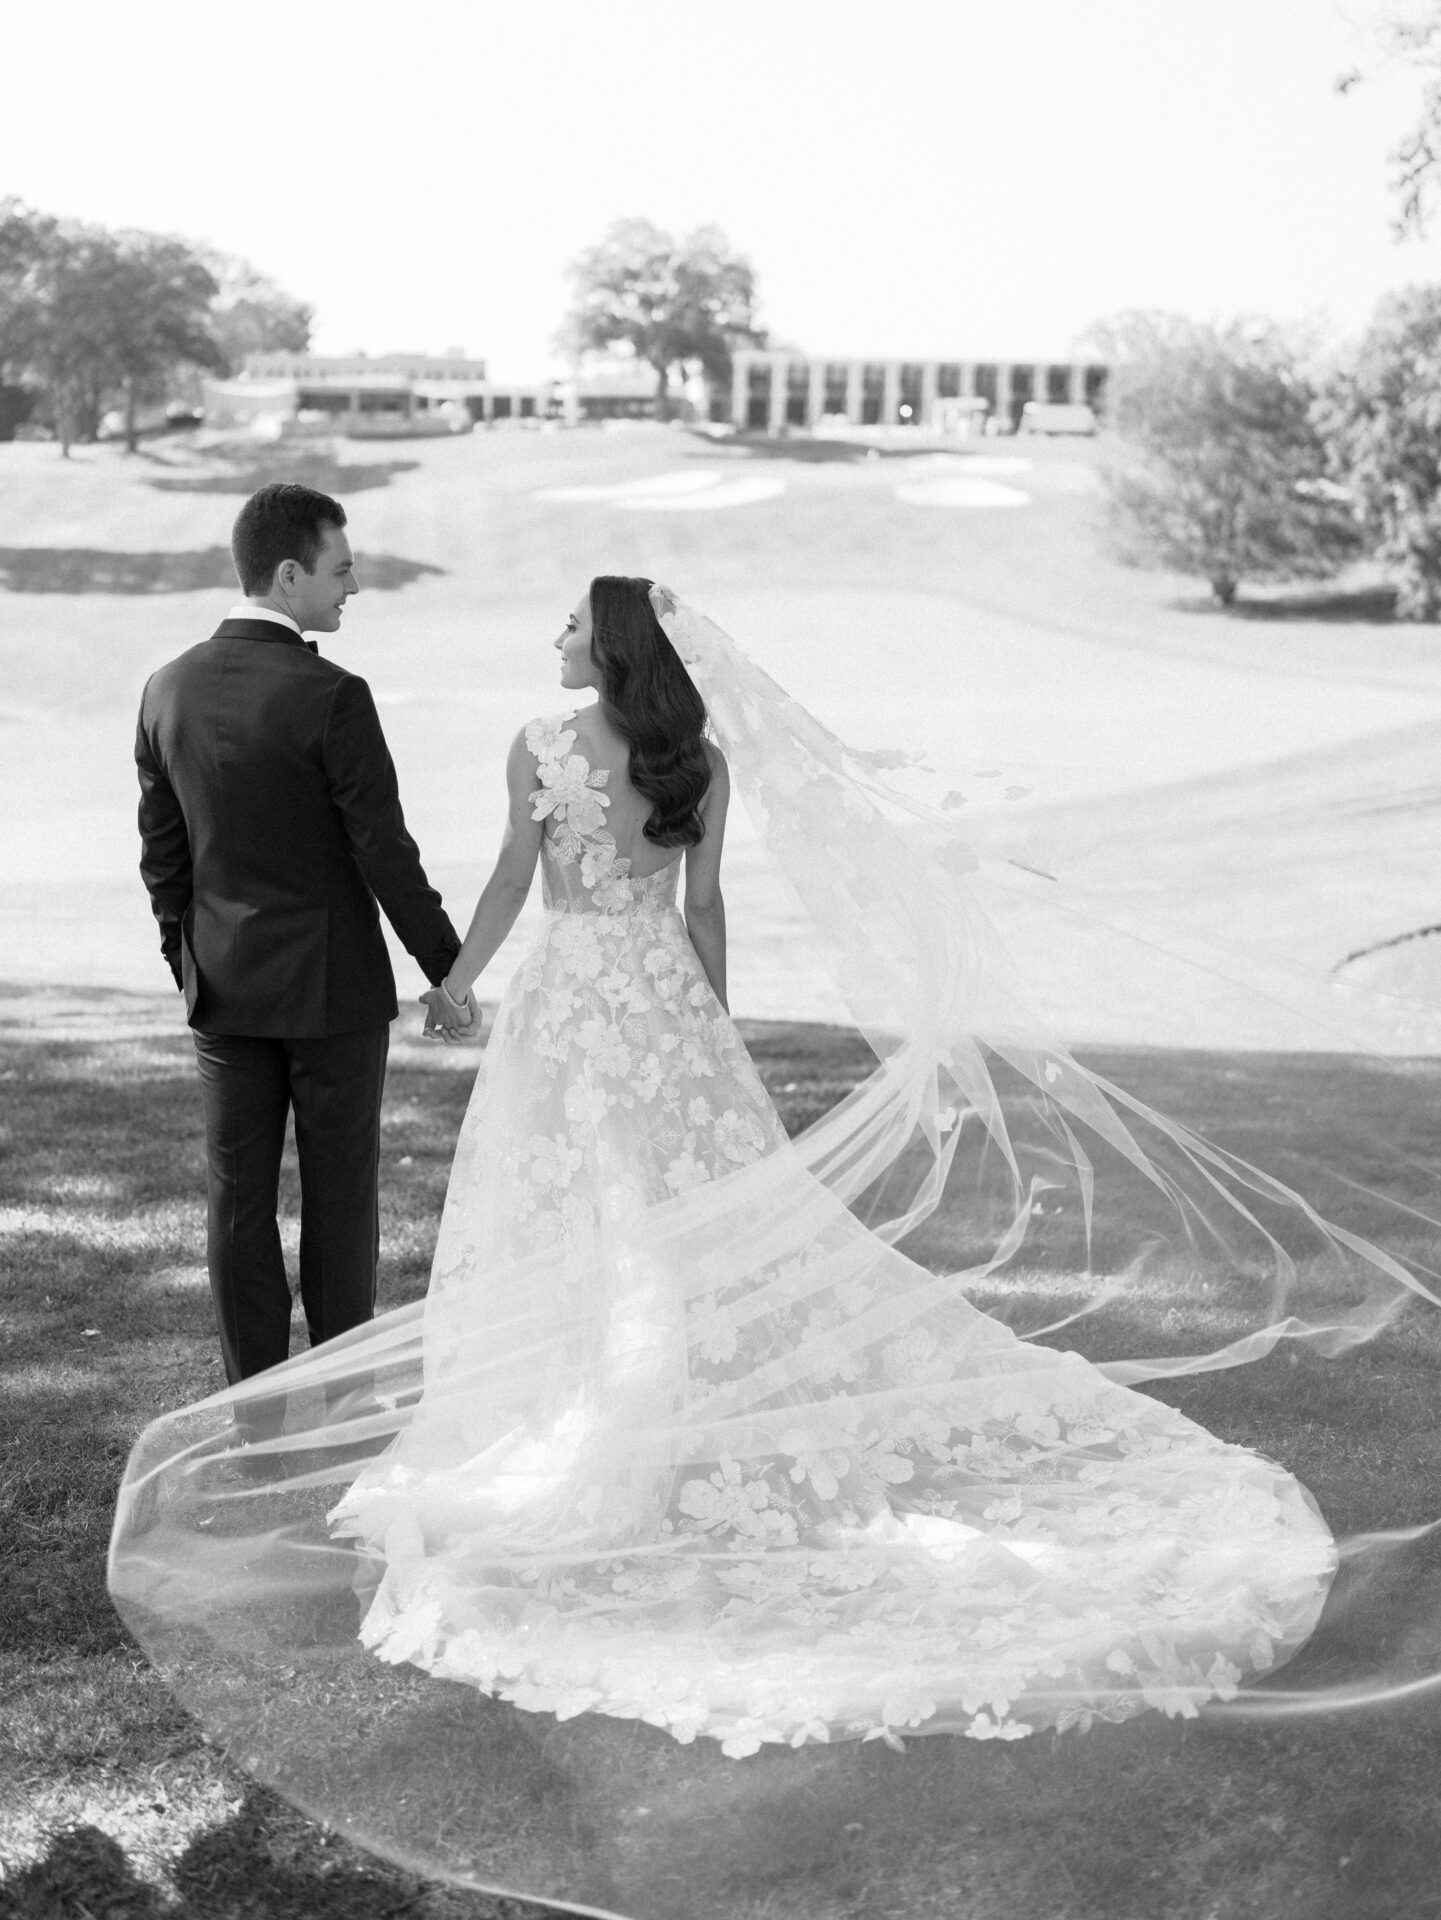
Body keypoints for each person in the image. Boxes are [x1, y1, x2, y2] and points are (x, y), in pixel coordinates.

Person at [110, 577, 1436, 1877]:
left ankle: (605, 1413)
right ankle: (661, 1393)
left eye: (571, 621)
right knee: (684, 1232)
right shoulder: (696, 759)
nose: (554, 636)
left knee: (571, 1221)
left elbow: (516, 883)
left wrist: (453, 987)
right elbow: (701, 911)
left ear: (610, 645)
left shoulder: (541, 742)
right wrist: (709, 1035)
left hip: (569, 1015)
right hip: (661, 1007)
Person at [134, 482, 475, 1440]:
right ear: (288, 575)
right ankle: (337, 1402)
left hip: (223, 988)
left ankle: (256, 1413)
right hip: (334, 994)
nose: (354, 587)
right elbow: (384, 851)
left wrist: (190, 966)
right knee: (339, 1197)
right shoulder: (333, 694)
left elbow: (163, 859)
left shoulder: (166, 687)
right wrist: (444, 967)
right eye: (341, 568)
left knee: (236, 1198)